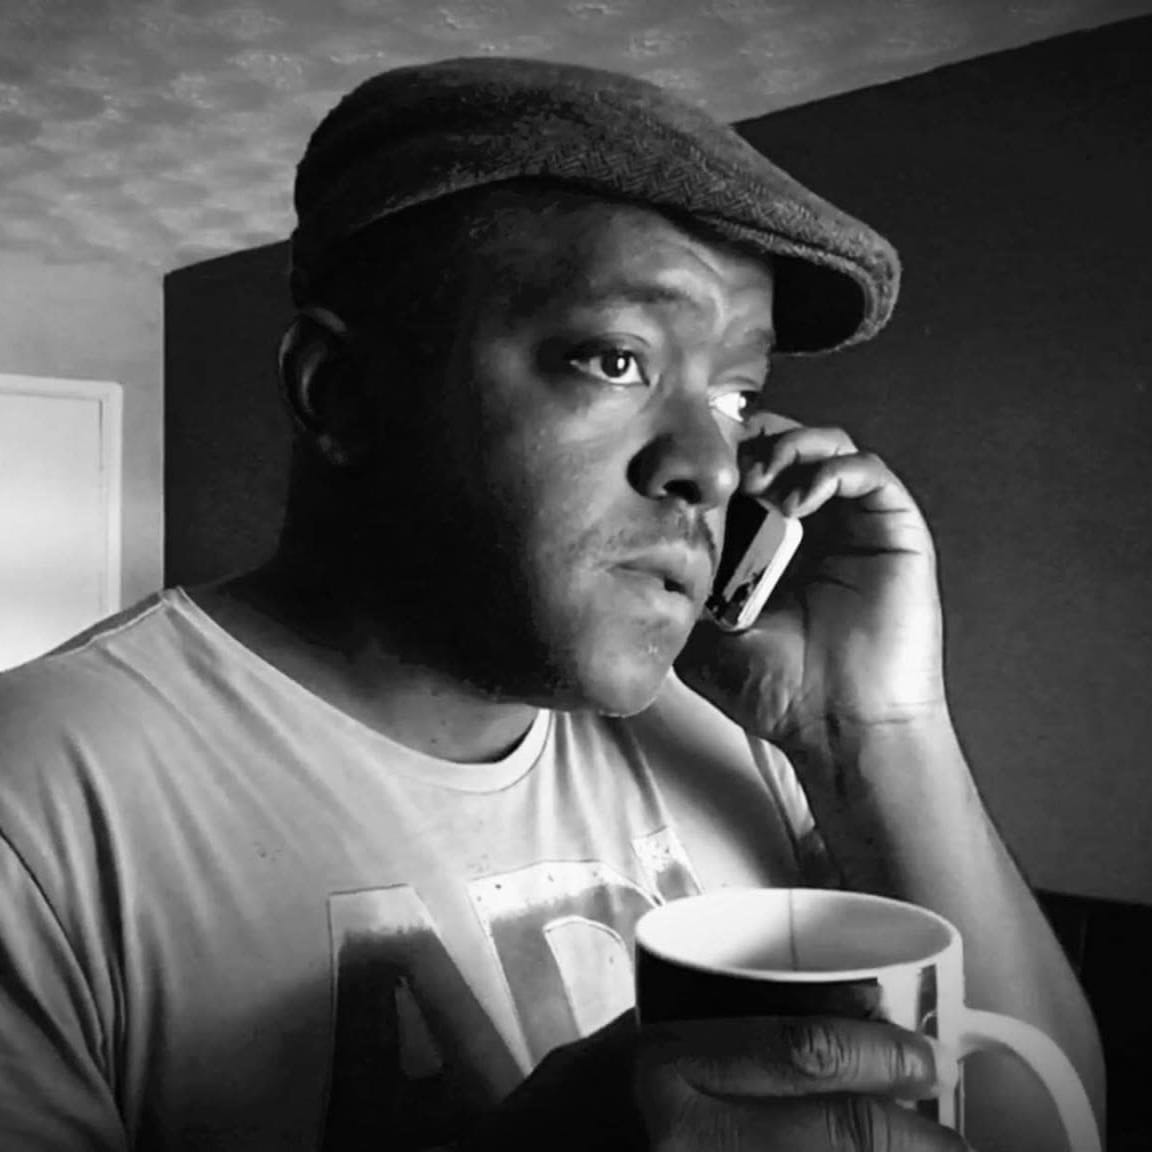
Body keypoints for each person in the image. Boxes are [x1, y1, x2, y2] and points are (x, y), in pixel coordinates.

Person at [0, 57, 1103, 1152]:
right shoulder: (42, 804)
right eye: (614, 360)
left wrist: (876, 727)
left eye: (737, 396)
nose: (711, 465)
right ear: (342, 392)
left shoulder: (743, 739)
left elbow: (1043, 1128)